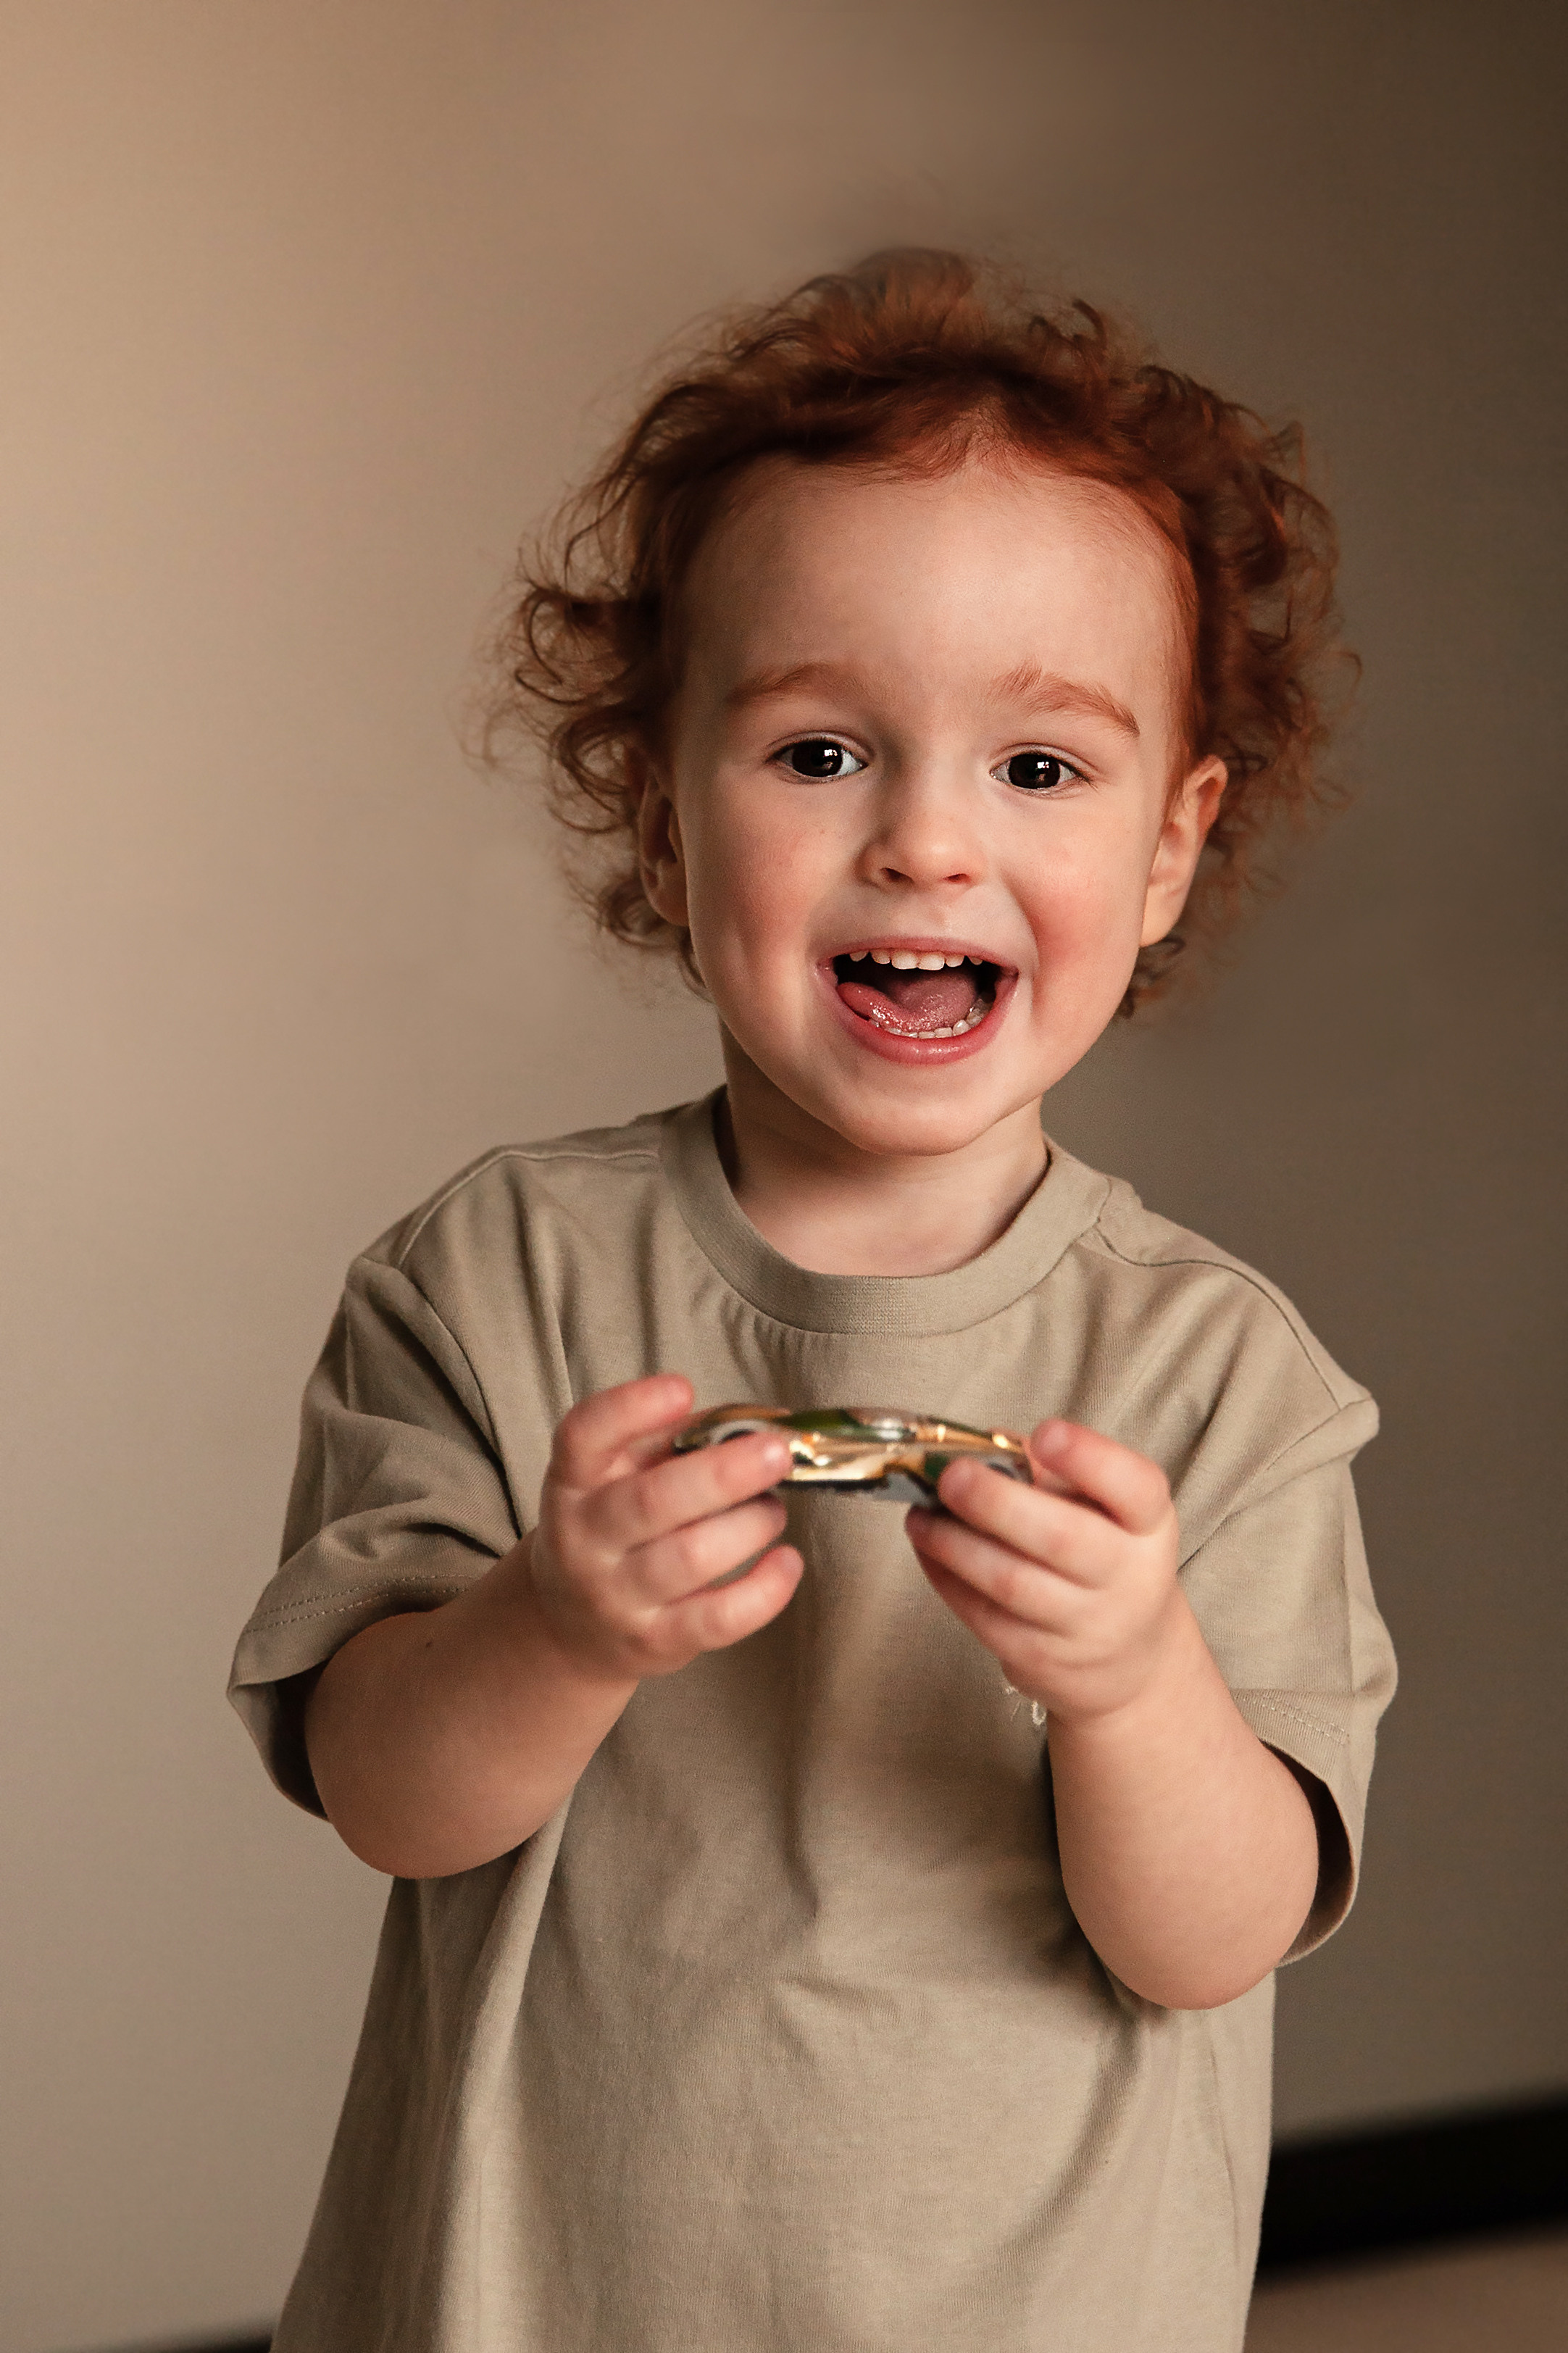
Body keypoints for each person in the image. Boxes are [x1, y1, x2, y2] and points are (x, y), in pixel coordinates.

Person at [229, 251, 1396, 2352]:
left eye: (1039, 771)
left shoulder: (1221, 1376)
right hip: (528, 2298)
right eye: (820, 752)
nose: (927, 845)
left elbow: (1212, 1939)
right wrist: (554, 1624)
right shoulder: (492, 1279)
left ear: (1165, 851)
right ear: (662, 819)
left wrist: (1134, 1686)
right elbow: (389, 1802)